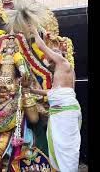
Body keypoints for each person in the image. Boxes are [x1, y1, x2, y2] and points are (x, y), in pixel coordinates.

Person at [28, 25, 82, 172]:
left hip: (65, 112)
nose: (47, 60)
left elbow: (42, 46)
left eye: (50, 57)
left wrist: (34, 32)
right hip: (61, 112)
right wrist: (32, 90)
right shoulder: (62, 72)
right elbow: (54, 93)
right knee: (59, 147)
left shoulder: (63, 63)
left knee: (67, 148)